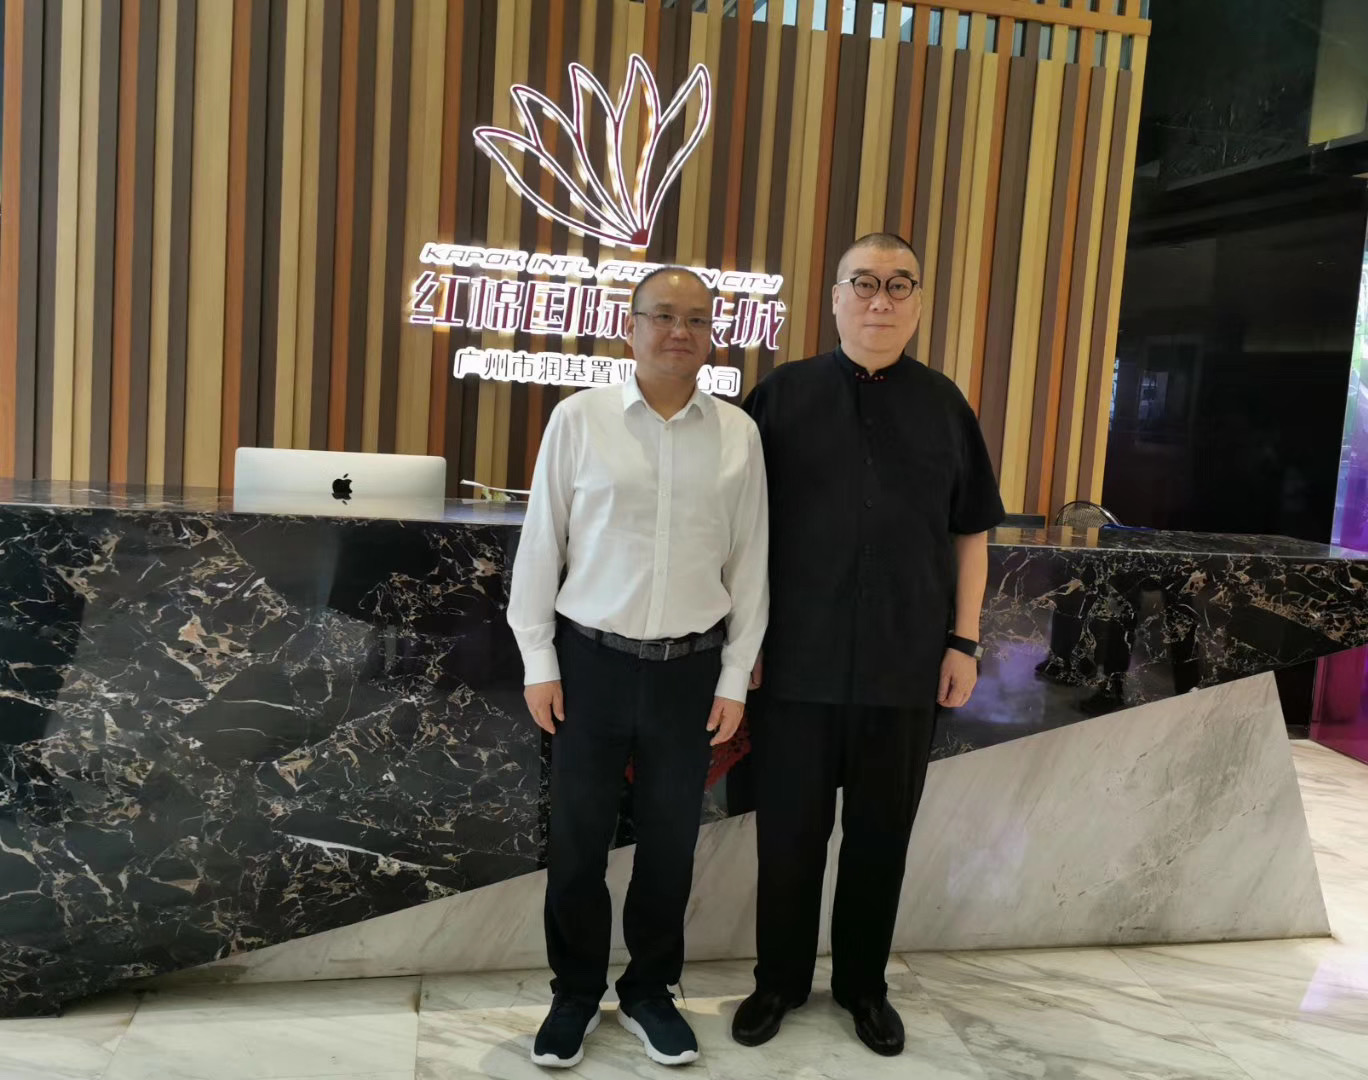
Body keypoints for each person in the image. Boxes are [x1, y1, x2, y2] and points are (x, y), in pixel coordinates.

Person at [732, 233, 1005, 1057]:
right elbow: (737, 533)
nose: (880, 300)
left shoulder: (945, 405)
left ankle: (863, 987)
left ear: (918, 302)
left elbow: (970, 535)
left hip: (905, 665)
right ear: (835, 298)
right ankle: (778, 982)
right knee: (788, 837)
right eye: (864, 283)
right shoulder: (779, 397)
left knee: (881, 839)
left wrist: (964, 642)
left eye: (899, 285)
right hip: (794, 665)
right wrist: (742, 644)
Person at [508, 266, 769, 1069]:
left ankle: (651, 991)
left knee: (669, 846)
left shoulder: (738, 435)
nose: (678, 331)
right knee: (578, 844)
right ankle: (575, 993)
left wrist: (734, 676)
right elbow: (542, 545)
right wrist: (538, 659)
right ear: (630, 326)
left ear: (712, 336)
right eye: (662, 315)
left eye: (696, 319)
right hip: (589, 664)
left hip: (690, 673)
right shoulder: (580, 419)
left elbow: (751, 565)